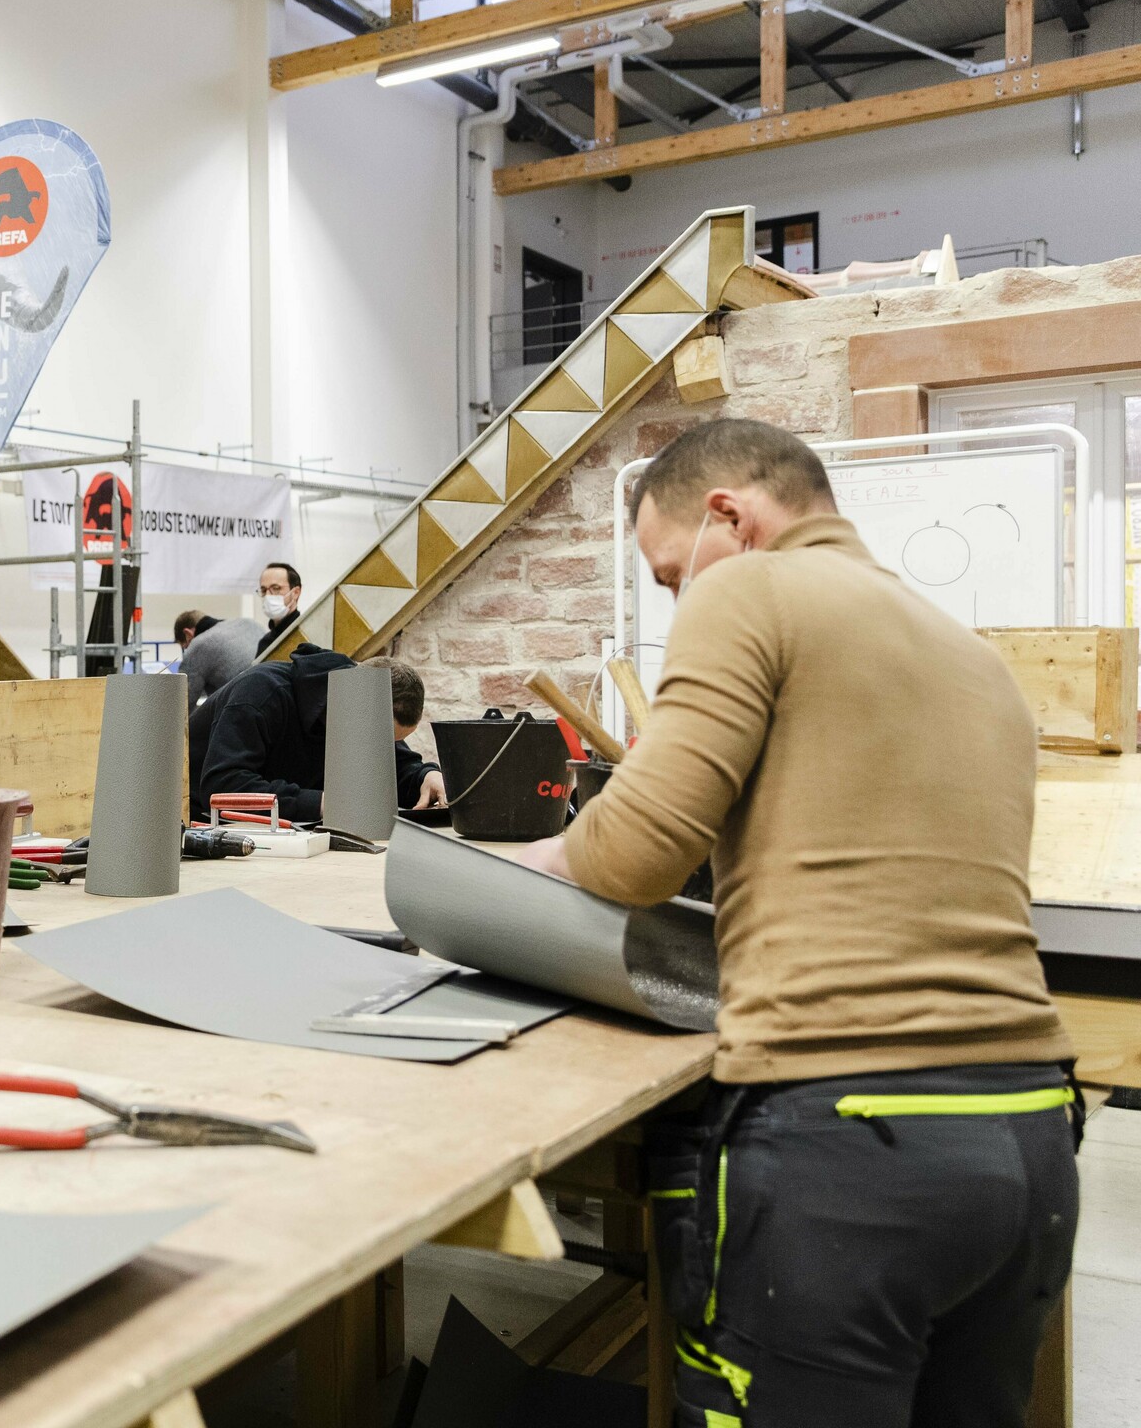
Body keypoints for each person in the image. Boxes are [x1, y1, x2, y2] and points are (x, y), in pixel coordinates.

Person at [520, 418, 1077, 1428]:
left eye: (669, 574)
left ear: (728, 518)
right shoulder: (971, 656)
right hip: (1028, 1138)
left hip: (852, 1149)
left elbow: (637, 854)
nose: (678, 600)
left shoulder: (748, 588)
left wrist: (532, 863)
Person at [188, 652, 444, 821]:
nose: (378, 749)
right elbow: (223, 786)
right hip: (198, 829)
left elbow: (394, 769)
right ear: (351, 703)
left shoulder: (358, 708)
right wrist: (324, 803)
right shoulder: (260, 694)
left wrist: (425, 777)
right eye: (377, 738)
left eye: (392, 742)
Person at [180, 560, 302, 704]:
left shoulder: (304, 635)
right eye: (263, 590)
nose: (269, 596)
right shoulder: (266, 641)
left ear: (295, 592)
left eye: (276, 588)